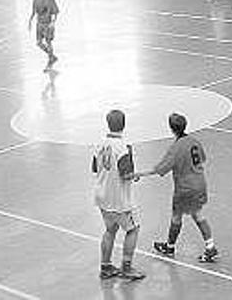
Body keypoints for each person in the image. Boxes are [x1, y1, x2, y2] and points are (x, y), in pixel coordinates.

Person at [135, 113, 219, 263]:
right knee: (198, 215)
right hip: (200, 184)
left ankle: (170, 247)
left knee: (176, 217)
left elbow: (160, 169)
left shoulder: (176, 148)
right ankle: (210, 246)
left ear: (171, 129)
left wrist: (139, 174)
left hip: (185, 189)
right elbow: (202, 159)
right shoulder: (194, 141)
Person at [92, 110, 145, 281]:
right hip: (120, 200)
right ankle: (126, 267)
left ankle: (105, 266)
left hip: (102, 196)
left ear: (108, 124)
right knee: (133, 229)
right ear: (124, 124)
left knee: (110, 229)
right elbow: (126, 174)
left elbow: (94, 168)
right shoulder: (124, 147)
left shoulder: (99, 144)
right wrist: (136, 175)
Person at [28, 0, 59, 72]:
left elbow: (55, 12)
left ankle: (50, 62)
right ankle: (52, 56)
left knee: (48, 42)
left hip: (48, 24)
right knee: (39, 43)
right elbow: (33, 12)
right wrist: (30, 21)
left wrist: (53, 22)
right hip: (39, 24)